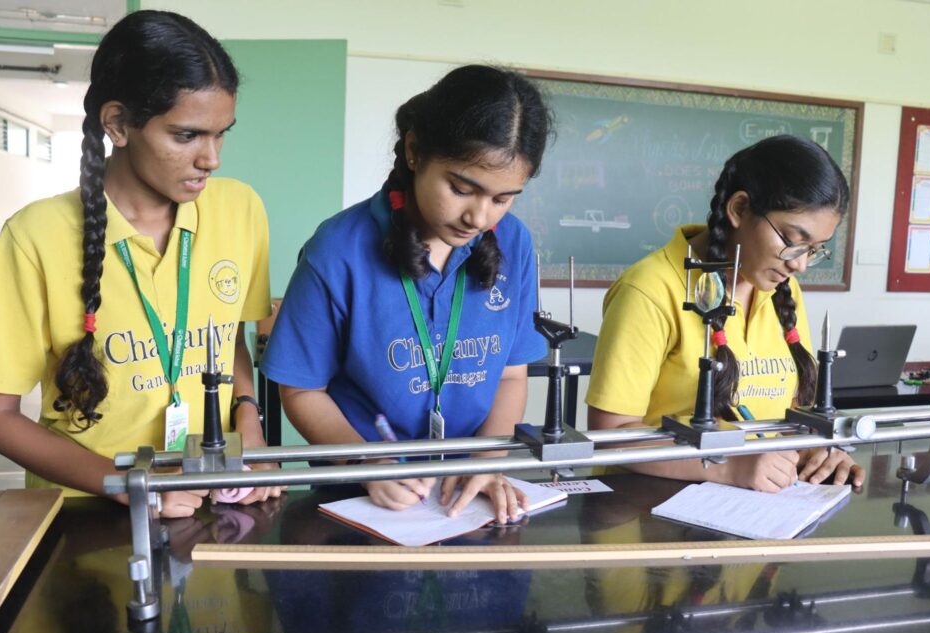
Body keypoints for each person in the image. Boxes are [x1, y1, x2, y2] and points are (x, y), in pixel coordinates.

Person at [0, 10, 279, 518]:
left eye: (222, 134)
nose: (212, 158)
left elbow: (228, 340)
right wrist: (129, 484)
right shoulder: (35, 235)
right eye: (186, 136)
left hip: (211, 497)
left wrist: (249, 422)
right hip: (88, 510)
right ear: (118, 124)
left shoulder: (241, 210)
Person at [261, 65, 551, 522]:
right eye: (461, 189)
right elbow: (300, 388)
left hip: (470, 493)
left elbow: (512, 377)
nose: (479, 217)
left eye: (502, 199)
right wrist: (365, 462)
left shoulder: (513, 243)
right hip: (361, 494)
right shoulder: (338, 251)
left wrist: (489, 462)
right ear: (415, 151)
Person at [586, 135, 865, 492]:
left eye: (815, 250)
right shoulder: (650, 290)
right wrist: (725, 467)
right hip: (644, 508)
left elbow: (794, 414)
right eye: (794, 241)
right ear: (739, 209)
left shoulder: (783, 290)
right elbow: (609, 436)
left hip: (760, 506)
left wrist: (817, 452)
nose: (800, 265)